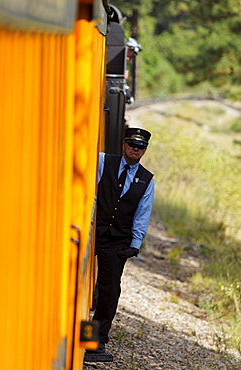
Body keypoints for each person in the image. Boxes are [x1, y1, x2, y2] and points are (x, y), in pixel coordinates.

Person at [90, 127, 154, 354]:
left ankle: (97, 340)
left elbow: (142, 213)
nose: (136, 149)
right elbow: (89, 193)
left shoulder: (147, 180)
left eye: (141, 147)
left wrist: (134, 245)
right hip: (93, 232)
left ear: (144, 151)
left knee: (110, 290)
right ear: (124, 145)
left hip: (117, 242)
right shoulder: (102, 161)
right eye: (132, 145)